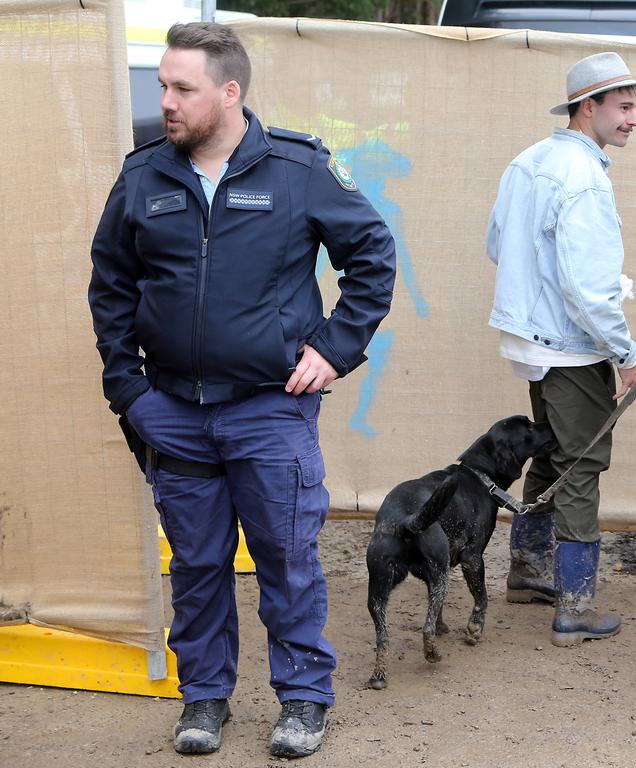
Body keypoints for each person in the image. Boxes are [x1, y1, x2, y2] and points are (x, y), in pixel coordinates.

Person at [89, 22, 396, 757]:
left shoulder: (297, 168)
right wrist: (127, 388)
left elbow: (372, 257)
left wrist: (334, 348)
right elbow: (109, 285)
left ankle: (302, 699)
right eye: (163, 85)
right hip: (173, 413)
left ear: (229, 92)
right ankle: (204, 698)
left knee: (287, 558)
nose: (165, 100)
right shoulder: (143, 175)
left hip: (268, 410)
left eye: (181, 88)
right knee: (196, 566)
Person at [486, 52, 636, 647]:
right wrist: (626, 355)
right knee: (582, 466)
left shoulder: (529, 160)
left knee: (551, 451)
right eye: (625, 107)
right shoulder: (585, 178)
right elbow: (585, 288)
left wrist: (630, 290)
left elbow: (500, 244)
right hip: (573, 349)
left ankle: (529, 573)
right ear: (590, 106)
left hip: (533, 340)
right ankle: (575, 608)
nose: (634, 119)